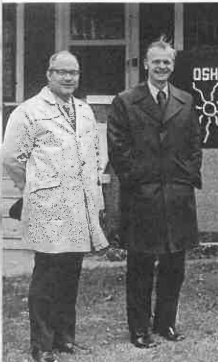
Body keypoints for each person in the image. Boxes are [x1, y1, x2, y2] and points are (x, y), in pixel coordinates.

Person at [2, 50, 108, 362]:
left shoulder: (85, 111)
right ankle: (42, 345)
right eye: (61, 72)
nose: (68, 78)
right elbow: (10, 157)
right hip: (48, 206)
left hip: (79, 207)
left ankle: (65, 339)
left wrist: (96, 202)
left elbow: (94, 157)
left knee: (70, 274)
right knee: (47, 275)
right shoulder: (29, 111)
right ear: (49, 74)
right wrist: (32, 187)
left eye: (73, 73)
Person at [107, 36, 202, 348]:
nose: (162, 67)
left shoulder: (186, 100)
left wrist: (185, 178)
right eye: (156, 61)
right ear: (145, 64)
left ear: (173, 66)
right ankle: (138, 328)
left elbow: (194, 146)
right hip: (142, 197)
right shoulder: (125, 101)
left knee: (175, 266)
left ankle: (166, 323)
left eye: (167, 62)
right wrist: (141, 181)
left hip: (177, 196)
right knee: (141, 267)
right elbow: (119, 151)